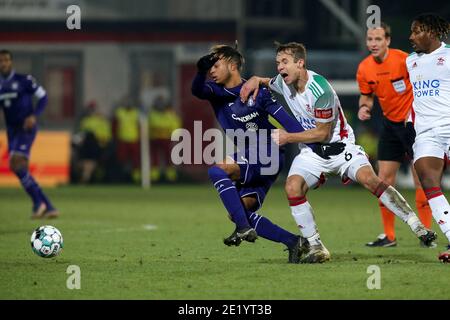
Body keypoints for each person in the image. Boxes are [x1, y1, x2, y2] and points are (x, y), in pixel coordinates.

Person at [240, 42, 437, 263]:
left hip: (341, 147)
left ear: (300, 63)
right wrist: (256, 79)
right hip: (313, 153)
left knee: (370, 180)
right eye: (277, 63)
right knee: (292, 187)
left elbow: (323, 133)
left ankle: (416, 225)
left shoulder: (320, 90)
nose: (279, 67)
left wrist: (287, 137)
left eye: (284, 62)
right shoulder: (284, 83)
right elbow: (269, 81)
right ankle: (316, 246)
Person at [191, 44, 345, 263]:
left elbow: (289, 124)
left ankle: (243, 229)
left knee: (217, 170)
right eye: (210, 68)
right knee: (238, 211)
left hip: (268, 152)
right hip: (250, 155)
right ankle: (295, 242)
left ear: (233, 65)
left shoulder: (259, 93)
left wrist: (319, 150)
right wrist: (199, 71)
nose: (211, 71)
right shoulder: (216, 93)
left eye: (216, 65)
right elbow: (197, 91)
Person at [356, 22, 433, 248]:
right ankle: (389, 236)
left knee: (422, 180)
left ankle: (425, 233)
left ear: (387, 41)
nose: (373, 43)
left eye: (378, 39)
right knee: (384, 181)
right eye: (370, 39)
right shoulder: (364, 68)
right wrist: (364, 107)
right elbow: (366, 95)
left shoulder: (404, 60)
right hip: (390, 126)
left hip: (413, 124)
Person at [407, 13, 450, 263]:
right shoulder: (410, 62)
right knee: (426, 177)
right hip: (426, 131)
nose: (411, 37)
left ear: (431, 33)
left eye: (417, 31)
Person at [0, 49, 59, 219]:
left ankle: (39, 204)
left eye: (6, 60)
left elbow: (43, 97)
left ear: (11, 62)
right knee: (18, 168)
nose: (3, 63)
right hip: (12, 131)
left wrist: (34, 115)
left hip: (26, 128)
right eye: (1, 61)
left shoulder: (24, 80)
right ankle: (46, 205)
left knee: (17, 163)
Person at [148, 95, 181, 182]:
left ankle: (170, 176)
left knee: (168, 157)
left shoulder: (170, 114)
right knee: (154, 157)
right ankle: (154, 176)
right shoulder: (152, 114)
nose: (160, 105)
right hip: (155, 139)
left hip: (166, 139)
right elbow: (150, 126)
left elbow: (175, 125)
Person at [112, 99, 140, 183]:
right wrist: (115, 137)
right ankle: (121, 176)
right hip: (122, 139)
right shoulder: (119, 112)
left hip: (133, 139)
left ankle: (136, 177)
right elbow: (114, 125)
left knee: (135, 160)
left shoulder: (136, 113)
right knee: (121, 159)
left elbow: (140, 126)